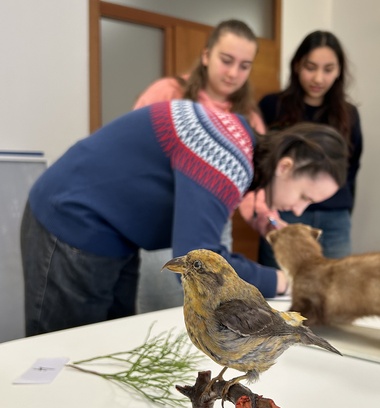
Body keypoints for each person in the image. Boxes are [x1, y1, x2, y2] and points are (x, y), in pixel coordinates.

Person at [20, 99, 348, 336]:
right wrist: (285, 281)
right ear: (286, 166)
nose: (299, 210)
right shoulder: (225, 160)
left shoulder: (238, 137)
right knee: (66, 350)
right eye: (305, 196)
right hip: (71, 222)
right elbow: (200, 267)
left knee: (104, 342)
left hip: (112, 235)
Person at [133, 19, 268, 313]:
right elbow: (135, 154)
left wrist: (264, 217)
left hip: (216, 227)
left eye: (244, 66)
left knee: (208, 316)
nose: (233, 73)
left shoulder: (248, 117)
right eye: (226, 60)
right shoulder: (168, 93)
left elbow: (250, 189)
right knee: (158, 312)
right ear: (206, 55)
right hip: (161, 224)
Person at [257, 30, 363, 267]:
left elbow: (352, 167)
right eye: (310, 67)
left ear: (339, 71)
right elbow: (260, 160)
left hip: (335, 218)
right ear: (297, 65)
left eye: (328, 69)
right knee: (280, 286)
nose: (318, 78)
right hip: (281, 213)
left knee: (336, 289)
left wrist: (340, 205)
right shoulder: (272, 105)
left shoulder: (348, 115)